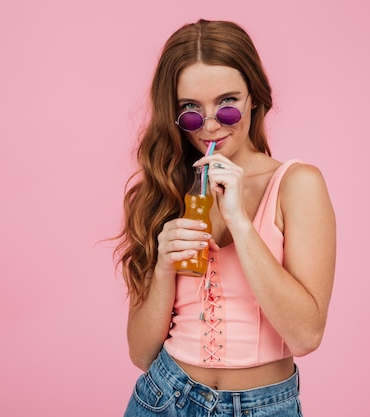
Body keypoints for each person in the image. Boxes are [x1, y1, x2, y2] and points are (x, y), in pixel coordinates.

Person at [114, 19, 336, 417]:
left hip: (264, 406)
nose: (211, 124)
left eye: (227, 103)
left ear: (254, 97)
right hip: (164, 398)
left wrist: (240, 222)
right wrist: (164, 268)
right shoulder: (166, 188)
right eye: (191, 110)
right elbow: (140, 351)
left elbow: (305, 335)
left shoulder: (296, 184)